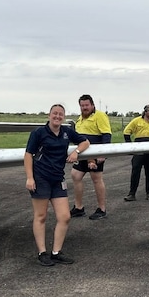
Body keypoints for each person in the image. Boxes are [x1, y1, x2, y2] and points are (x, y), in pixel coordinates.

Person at [24, 104, 91, 266]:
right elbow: (28, 155)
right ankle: (42, 253)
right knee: (41, 216)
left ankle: (56, 252)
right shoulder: (39, 133)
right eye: (55, 114)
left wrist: (76, 152)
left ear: (63, 116)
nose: (57, 117)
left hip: (57, 178)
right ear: (49, 115)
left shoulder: (66, 132)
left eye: (61, 114)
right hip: (41, 178)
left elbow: (85, 142)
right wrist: (30, 178)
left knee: (65, 216)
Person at [70, 94, 112, 221]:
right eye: (82, 106)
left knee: (96, 179)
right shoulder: (79, 119)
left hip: (95, 153)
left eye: (86, 105)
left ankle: (102, 209)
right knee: (75, 175)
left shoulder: (99, 116)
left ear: (92, 105)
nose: (84, 108)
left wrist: (102, 153)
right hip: (82, 154)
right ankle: (78, 207)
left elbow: (106, 134)